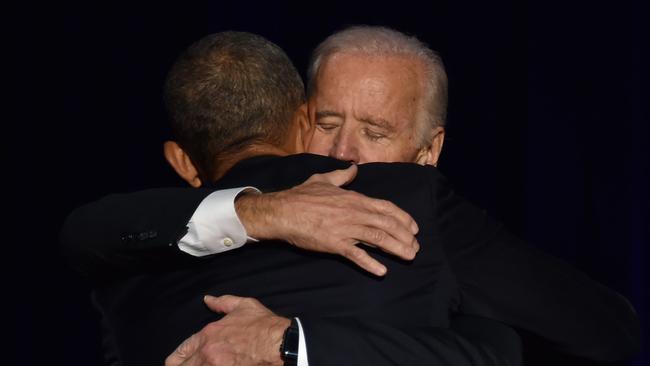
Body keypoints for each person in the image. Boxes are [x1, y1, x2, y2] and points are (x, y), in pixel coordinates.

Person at [61, 27, 640, 365]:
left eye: (376, 131)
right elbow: (94, 230)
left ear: (428, 152)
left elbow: (605, 331)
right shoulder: (151, 243)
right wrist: (264, 210)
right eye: (328, 121)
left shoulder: (422, 207)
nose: (342, 155)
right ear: (297, 118)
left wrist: (292, 344)